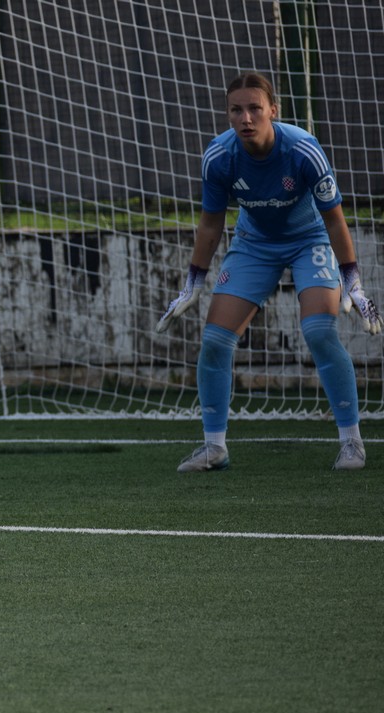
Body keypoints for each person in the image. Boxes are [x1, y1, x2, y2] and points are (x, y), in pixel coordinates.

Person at [157, 71, 380, 472]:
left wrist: (355, 285)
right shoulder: (219, 156)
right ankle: (214, 448)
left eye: (254, 109)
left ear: (273, 110)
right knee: (214, 341)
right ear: (228, 114)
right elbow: (210, 224)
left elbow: (334, 221)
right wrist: (192, 285)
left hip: (310, 239)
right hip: (254, 244)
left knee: (319, 332)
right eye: (236, 110)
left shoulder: (303, 150)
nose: (245, 118)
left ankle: (352, 442)